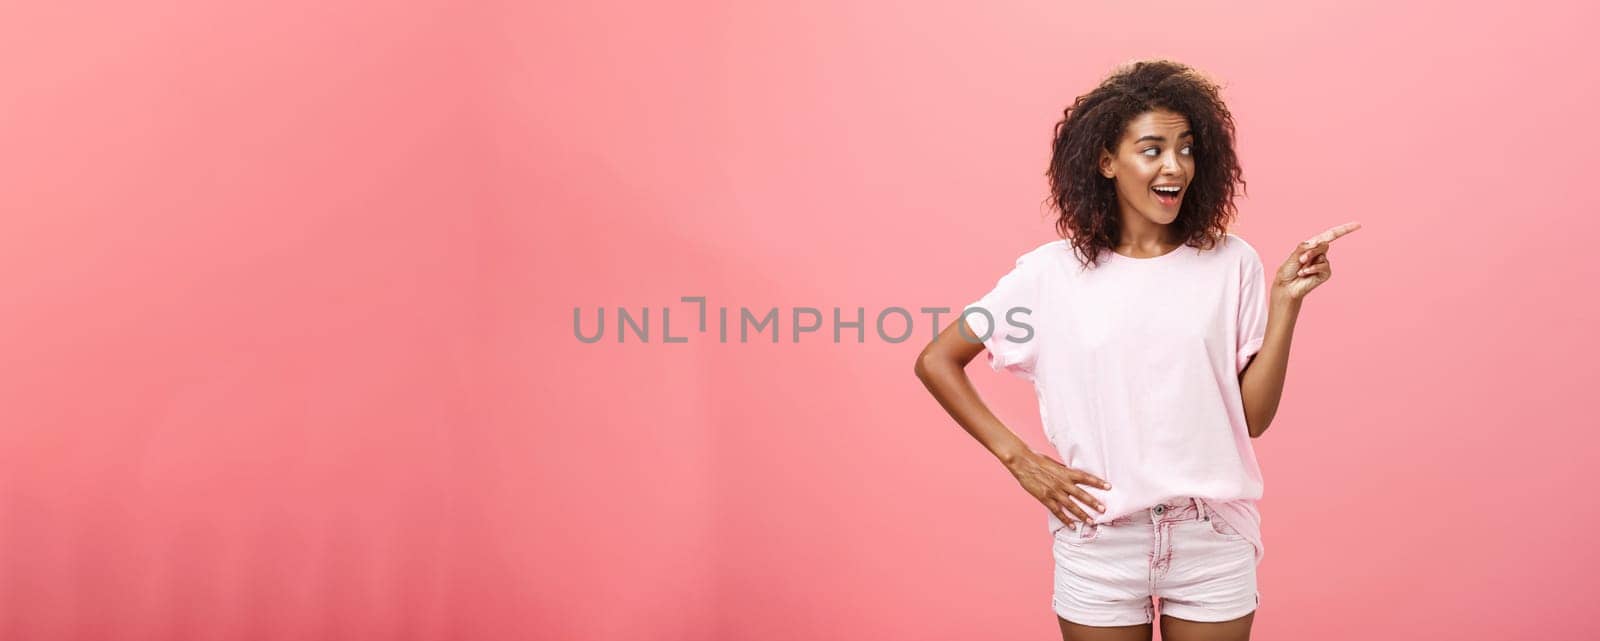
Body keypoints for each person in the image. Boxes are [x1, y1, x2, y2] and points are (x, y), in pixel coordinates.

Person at [912, 59, 1360, 641]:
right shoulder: (1049, 275)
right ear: (1106, 162)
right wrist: (1021, 460)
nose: (1175, 165)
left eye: (1187, 148)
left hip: (1211, 536)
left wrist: (1286, 303)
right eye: (1152, 149)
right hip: (1100, 538)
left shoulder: (1232, 263)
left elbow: (1251, 420)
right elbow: (936, 359)